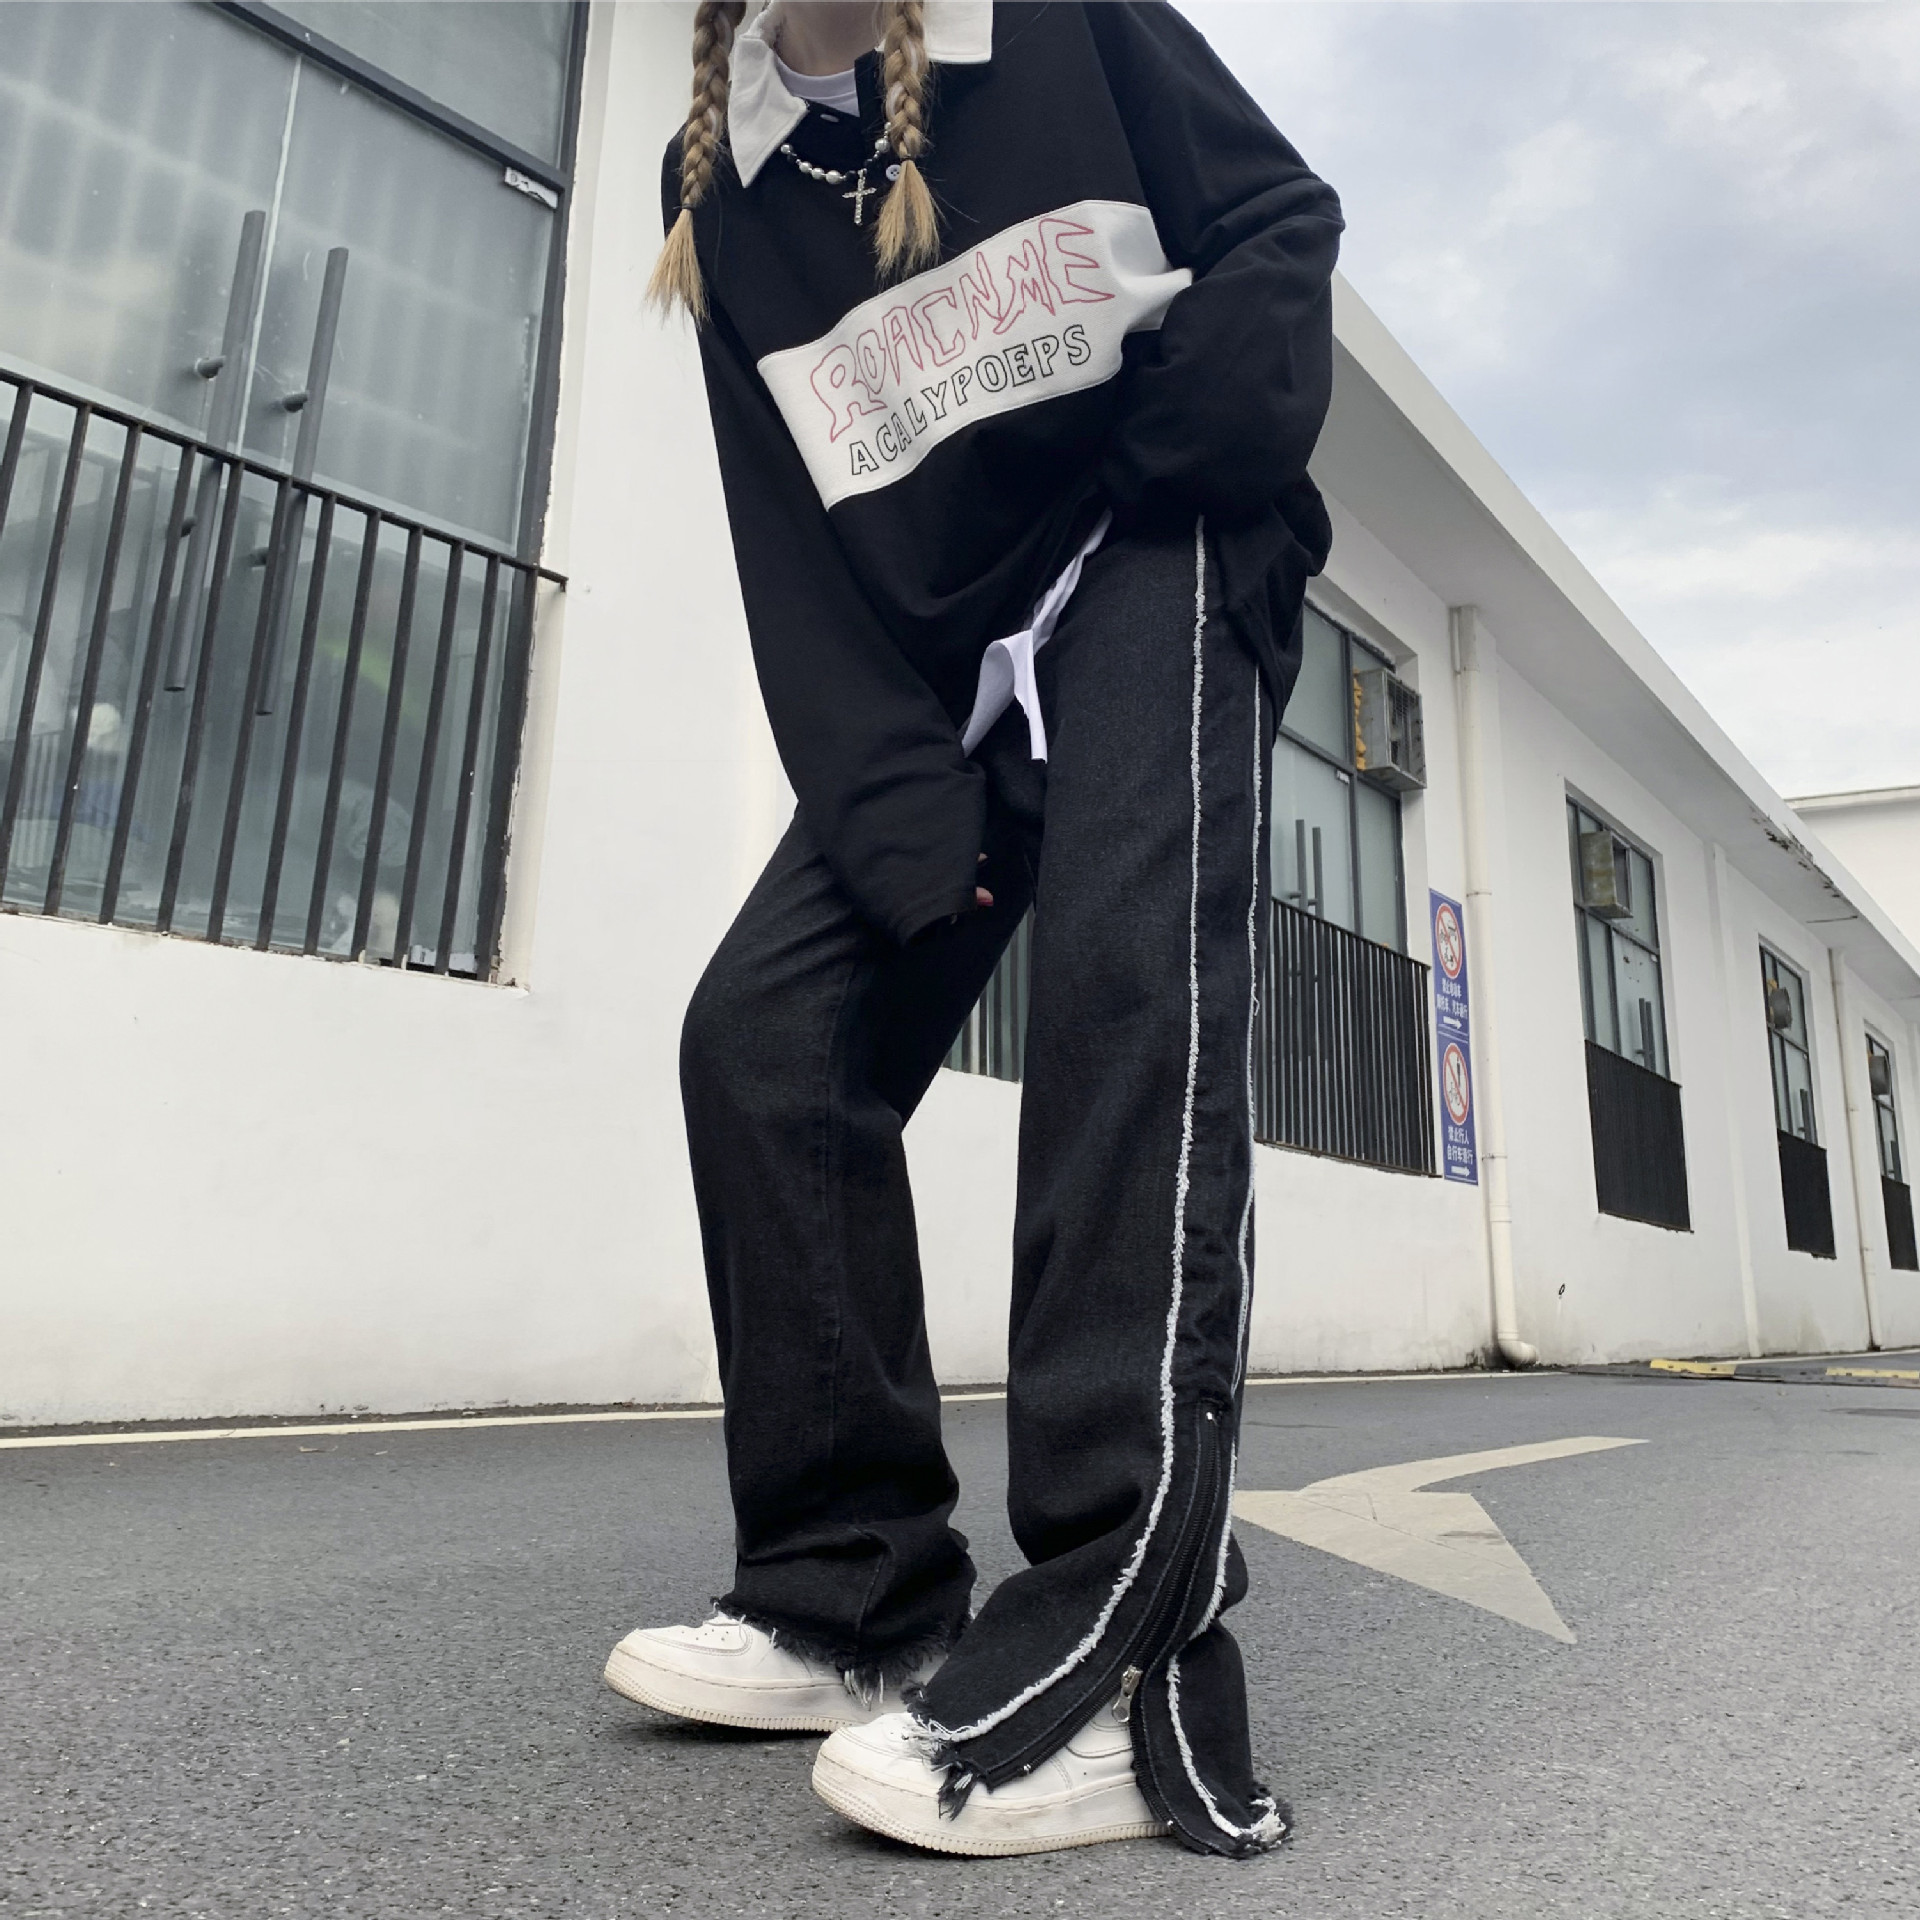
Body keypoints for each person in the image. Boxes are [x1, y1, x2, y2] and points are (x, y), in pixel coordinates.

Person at [603, 0, 1341, 1859]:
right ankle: (853, 1589)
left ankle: (1114, 1657)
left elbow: (1278, 219)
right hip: (950, 678)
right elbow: (798, 547)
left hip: (1160, 547)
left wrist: (1179, 455)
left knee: (1122, 1001)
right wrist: (899, 816)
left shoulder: (1063, 23)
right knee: (768, 1041)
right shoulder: (720, 186)